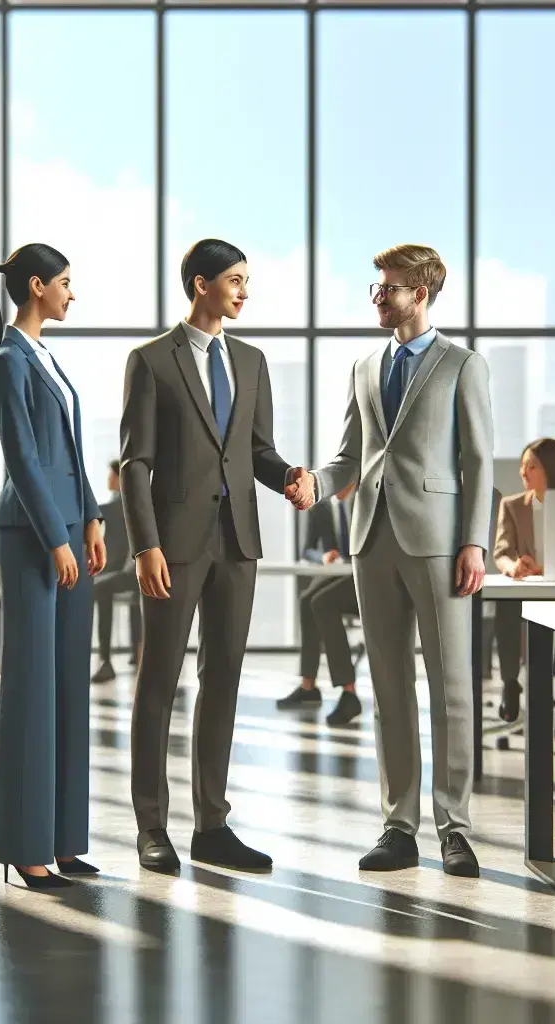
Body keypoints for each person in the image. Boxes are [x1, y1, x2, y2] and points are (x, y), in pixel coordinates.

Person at [302, 244, 491, 878]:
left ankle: (455, 828)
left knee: (452, 689)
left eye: (387, 288)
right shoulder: (362, 365)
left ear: (421, 291)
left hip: (440, 542)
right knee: (388, 687)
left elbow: (479, 462)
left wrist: (475, 541)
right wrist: (316, 487)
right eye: (376, 287)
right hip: (370, 539)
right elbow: (351, 456)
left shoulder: (462, 365)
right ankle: (399, 825)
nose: (377, 297)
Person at [123, 238, 306, 875]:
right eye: (234, 280)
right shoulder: (151, 361)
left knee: (222, 680)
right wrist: (145, 544)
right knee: (159, 683)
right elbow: (135, 462)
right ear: (201, 284)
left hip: (238, 542)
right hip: (171, 545)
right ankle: (152, 826)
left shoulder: (251, 362)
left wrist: (288, 477)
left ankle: (212, 825)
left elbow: (258, 451)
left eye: (246, 281)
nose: (244, 292)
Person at [0, 243, 104, 891]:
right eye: (65, 283)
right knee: (32, 692)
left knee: (67, 690)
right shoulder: (9, 361)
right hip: (31, 537)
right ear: (36, 286)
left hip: (67, 533)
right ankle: (26, 847)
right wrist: (57, 538)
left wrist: (91, 518)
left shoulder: (47, 359)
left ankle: (63, 839)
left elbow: (71, 452)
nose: (71, 294)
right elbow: (23, 459)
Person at [490, 438, 555, 726]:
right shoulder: (512, 505)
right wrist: (514, 568)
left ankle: (546, 684)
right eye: (522, 467)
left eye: (531, 466)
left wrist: (545, 568)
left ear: (550, 469)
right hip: (525, 587)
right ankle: (510, 681)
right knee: (507, 607)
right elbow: (501, 552)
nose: (523, 473)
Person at [275, 481, 362, 727]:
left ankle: (349, 692)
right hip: (339, 576)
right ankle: (308, 686)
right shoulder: (321, 507)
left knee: (322, 602)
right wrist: (323, 556)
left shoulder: (365, 500)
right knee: (307, 601)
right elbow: (307, 551)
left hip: (367, 580)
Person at [91, 460, 139, 683]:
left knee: (100, 587)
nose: (108, 480)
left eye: (112, 475)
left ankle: (105, 660)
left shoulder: (112, 508)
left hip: (131, 573)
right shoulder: (134, 504)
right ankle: (129, 655)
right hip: (127, 572)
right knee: (102, 584)